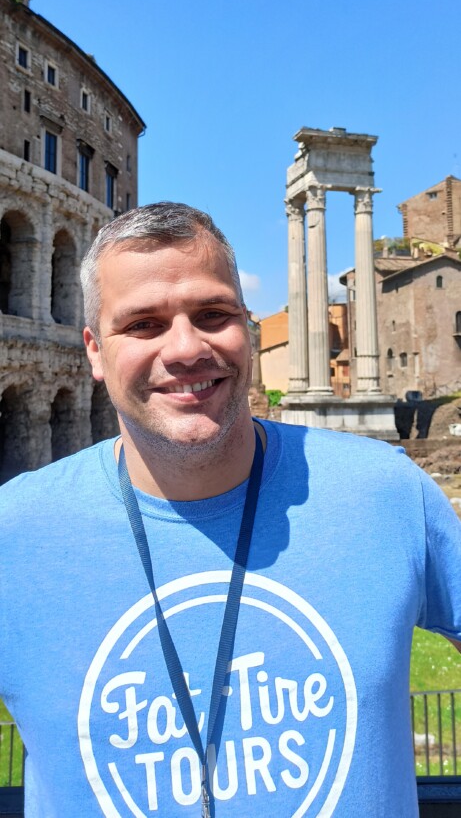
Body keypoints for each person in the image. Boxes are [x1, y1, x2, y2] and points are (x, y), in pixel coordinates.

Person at [0, 201, 460, 818]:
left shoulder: (388, 493)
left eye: (214, 314)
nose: (187, 348)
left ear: (248, 326)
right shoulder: (15, 534)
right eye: (143, 325)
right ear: (94, 351)